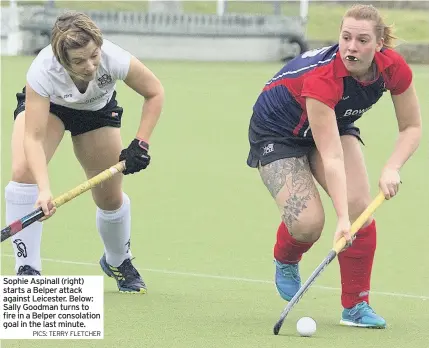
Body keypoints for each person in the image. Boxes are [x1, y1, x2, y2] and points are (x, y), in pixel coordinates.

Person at [247, 4, 421, 328]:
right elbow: (333, 157)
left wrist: (392, 167)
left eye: (362, 40)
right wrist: (341, 220)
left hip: (333, 121)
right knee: (309, 223)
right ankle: (286, 256)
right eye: (346, 38)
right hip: (278, 131)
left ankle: (355, 307)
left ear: (379, 44)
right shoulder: (323, 78)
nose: (352, 47)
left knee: (360, 206)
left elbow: (411, 127)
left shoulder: (392, 68)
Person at [5, 11, 164, 294]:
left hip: (96, 113)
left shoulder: (114, 58)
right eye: (78, 61)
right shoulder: (43, 70)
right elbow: (33, 137)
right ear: (61, 59)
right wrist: (43, 190)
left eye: (94, 56)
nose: (90, 66)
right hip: (50, 109)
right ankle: (27, 269)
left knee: (110, 196)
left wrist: (141, 142)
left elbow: (154, 92)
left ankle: (117, 260)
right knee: (24, 172)